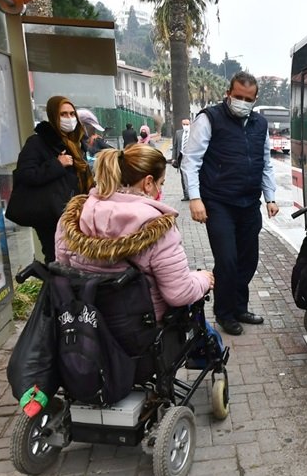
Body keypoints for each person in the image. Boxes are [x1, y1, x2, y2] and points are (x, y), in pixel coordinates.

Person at [54, 145, 214, 322]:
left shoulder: (73, 217)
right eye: (161, 184)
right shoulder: (157, 228)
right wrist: (203, 279)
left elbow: (64, 271)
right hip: (143, 329)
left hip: (88, 325)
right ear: (148, 182)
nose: (160, 190)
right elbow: (179, 294)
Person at [181, 71, 279, 336]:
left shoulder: (260, 124)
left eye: (248, 99)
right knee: (227, 260)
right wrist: (195, 198)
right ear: (228, 93)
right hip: (219, 202)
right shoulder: (209, 118)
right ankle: (224, 313)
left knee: (248, 261)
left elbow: (266, 163)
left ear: (255, 99)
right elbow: (191, 161)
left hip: (249, 202)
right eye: (238, 96)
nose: (242, 102)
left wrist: (270, 197)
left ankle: (239, 307)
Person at [15, 96, 94, 263]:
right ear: (53, 116)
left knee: (78, 259)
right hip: (50, 214)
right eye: (63, 114)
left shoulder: (77, 143)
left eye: (72, 114)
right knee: (56, 259)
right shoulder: (38, 142)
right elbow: (26, 174)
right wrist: (57, 164)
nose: (69, 118)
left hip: (75, 212)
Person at [172, 118, 191, 201]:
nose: (185, 126)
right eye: (184, 124)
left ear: (190, 124)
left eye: (187, 124)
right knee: (183, 176)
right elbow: (175, 146)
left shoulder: (194, 133)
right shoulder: (178, 133)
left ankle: (193, 193)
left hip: (191, 158)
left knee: (191, 176)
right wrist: (173, 158)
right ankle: (186, 195)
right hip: (181, 157)